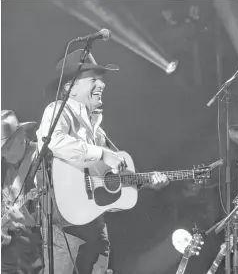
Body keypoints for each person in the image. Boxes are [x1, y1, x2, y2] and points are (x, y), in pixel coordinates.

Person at [36, 49, 170, 274]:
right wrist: (102, 154)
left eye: (102, 79)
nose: (102, 85)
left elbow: (114, 172)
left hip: (94, 221)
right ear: (70, 87)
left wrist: (146, 181)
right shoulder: (58, 111)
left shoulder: (96, 130)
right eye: (93, 79)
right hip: (65, 221)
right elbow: (54, 141)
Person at [1, 110, 44, 274]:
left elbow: (54, 210)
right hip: (7, 256)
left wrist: (31, 221)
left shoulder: (41, 158)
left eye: (6, 148)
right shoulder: (4, 165)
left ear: (21, 136)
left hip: (33, 255)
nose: (3, 155)